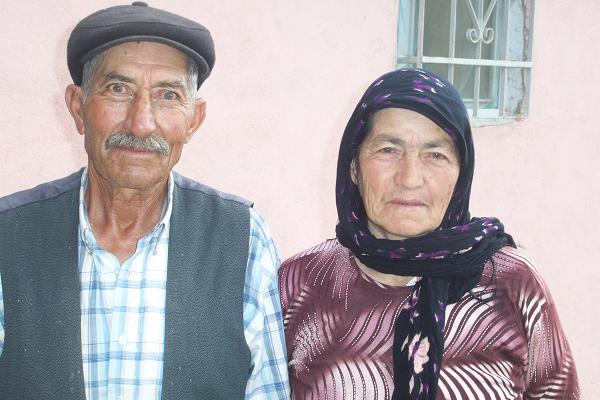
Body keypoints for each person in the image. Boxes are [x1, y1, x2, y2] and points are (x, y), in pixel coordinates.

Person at [0, 3, 289, 399]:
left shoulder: (243, 239)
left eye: (168, 95)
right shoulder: (9, 237)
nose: (141, 123)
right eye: (118, 89)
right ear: (78, 108)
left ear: (194, 120)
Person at [279, 68, 579, 399]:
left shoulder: (512, 281)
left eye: (435, 155)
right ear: (354, 166)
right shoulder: (300, 283)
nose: (410, 178)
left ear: (461, 173)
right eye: (388, 150)